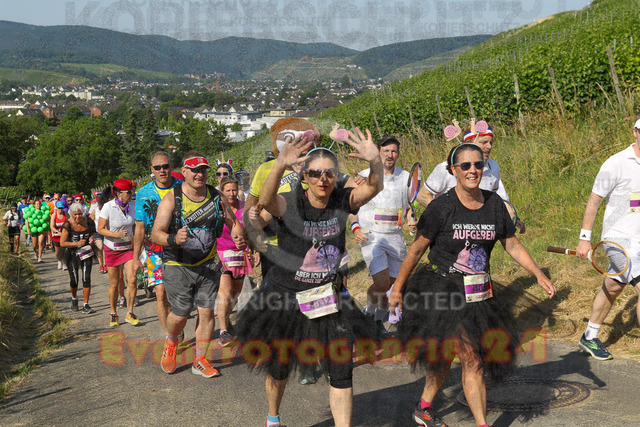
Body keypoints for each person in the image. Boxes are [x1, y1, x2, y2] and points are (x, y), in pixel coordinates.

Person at [389, 143, 555, 427]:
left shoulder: (495, 205)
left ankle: (423, 407)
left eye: (478, 164)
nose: (473, 170)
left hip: (479, 292)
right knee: (472, 357)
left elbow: (512, 244)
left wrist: (538, 274)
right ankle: (482, 424)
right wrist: (397, 289)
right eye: (465, 165)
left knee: (449, 356)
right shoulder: (441, 207)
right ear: (453, 170)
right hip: (443, 290)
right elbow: (416, 250)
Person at [235, 128, 383, 427]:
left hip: (328, 297)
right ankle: (273, 418)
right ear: (305, 176)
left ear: (335, 176)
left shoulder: (342, 200)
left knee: (341, 370)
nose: (322, 179)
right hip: (286, 298)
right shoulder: (290, 202)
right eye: (315, 173)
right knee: (279, 368)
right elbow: (266, 201)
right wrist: (279, 164)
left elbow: (373, 188)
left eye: (329, 173)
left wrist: (375, 160)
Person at [152, 152, 245, 378]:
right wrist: (173, 238)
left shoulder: (216, 196)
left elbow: (233, 222)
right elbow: (155, 234)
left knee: (206, 312)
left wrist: (238, 235)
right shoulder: (172, 199)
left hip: (208, 264)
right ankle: (171, 339)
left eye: (203, 170)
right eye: (194, 170)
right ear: (184, 172)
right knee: (180, 314)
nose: (199, 174)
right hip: (178, 264)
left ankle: (200, 360)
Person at [575, 116, 640, 361]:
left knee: (613, 287)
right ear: (635, 131)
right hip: (618, 240)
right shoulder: (615, 163)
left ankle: (589, 336)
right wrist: (584, 239)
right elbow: (594, 201)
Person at [349, 136, 417, 334]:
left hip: (395, 236)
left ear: (398, 154)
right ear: (379, 153)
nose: (390, 155)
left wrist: (411, 220)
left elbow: (408, 207)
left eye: (394, 151)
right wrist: (355, 228)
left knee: (394, 285)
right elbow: (352, 206)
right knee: (381, 283)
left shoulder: (405, 177)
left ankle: (375, 318)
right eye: (386, 151)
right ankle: (371, 317)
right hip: (372, 236)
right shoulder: (364, 176)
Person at [416, 120, 525, 233]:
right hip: (447, 233)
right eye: (484, 142)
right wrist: (446, 216)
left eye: (491, 142)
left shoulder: (494, 167)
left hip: (479, 233)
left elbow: (501, 200)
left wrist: (513, 218)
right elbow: (423, 196)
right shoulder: (446, 167)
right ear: (469, 143)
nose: (489, 146)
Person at [133, 151, 182, 337]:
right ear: (152, 169)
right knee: (161, 294)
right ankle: (170, 336)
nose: (162, 170)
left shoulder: (183, 187)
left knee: (178, 294)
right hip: (155, 250)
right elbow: (139, 227)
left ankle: (176, 323)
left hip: (180, 248)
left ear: (172, 167)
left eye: (166, 166)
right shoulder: (143, 193)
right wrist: (135, 257)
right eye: (158, 167)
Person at [215, 176, 254, 347]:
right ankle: (223, 331)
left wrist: (254, 250)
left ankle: (226, 320)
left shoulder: (244, 207)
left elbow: (252, 231)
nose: (231, 194)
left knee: (235, 294)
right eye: (227, 190)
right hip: (221, 253)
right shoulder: (218, 208)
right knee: (225, 291)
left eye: (234, 190)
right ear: (222, 192)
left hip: (239, 255)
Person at [98, 178, 140, 327]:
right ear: (119, 194)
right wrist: (116, 235)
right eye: (128, 192)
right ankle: (113, 312)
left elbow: (136, 227)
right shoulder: (108, 207)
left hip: (128, 248)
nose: (131, 194)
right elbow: (100, 229)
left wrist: (138, 245)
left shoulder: (133, 205)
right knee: (114, 283)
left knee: (132, 279)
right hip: (112, 248)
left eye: (132, 191)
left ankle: (130, 312)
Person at [60, 203, 96, 313]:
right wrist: (76, 244)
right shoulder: (68, 225)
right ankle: (74, 299)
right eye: (75, 214)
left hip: (86, 252)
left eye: (80, 214)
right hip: (72, 254)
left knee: (86, 278)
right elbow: (62, 243)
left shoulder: (89, 221)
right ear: (71, 214)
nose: (78, 217)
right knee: (74, 280)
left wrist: (91, 238)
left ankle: (86, 304)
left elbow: (93, 232)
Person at [91, 188, 112, 274]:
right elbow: (91, 221)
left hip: (106, 231)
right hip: (97, 231)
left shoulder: (107, 208)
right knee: (100, 247)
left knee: (105, 248)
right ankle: (101, 264)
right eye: (98, 200)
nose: (99, 202)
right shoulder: (95, 210)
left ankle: (105, 264)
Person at [50, 201, 69, 270]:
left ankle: (64, 263)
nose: (60, 209)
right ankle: (59, 260)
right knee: (57, 250)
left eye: (61, 208)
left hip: (64, 234)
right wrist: (57, 232)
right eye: (59, 208)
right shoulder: (54, 215)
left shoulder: (66, 214)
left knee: (64, 249)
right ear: (56, 208)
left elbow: (69, 223)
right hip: (56, 235)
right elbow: (52, 226)